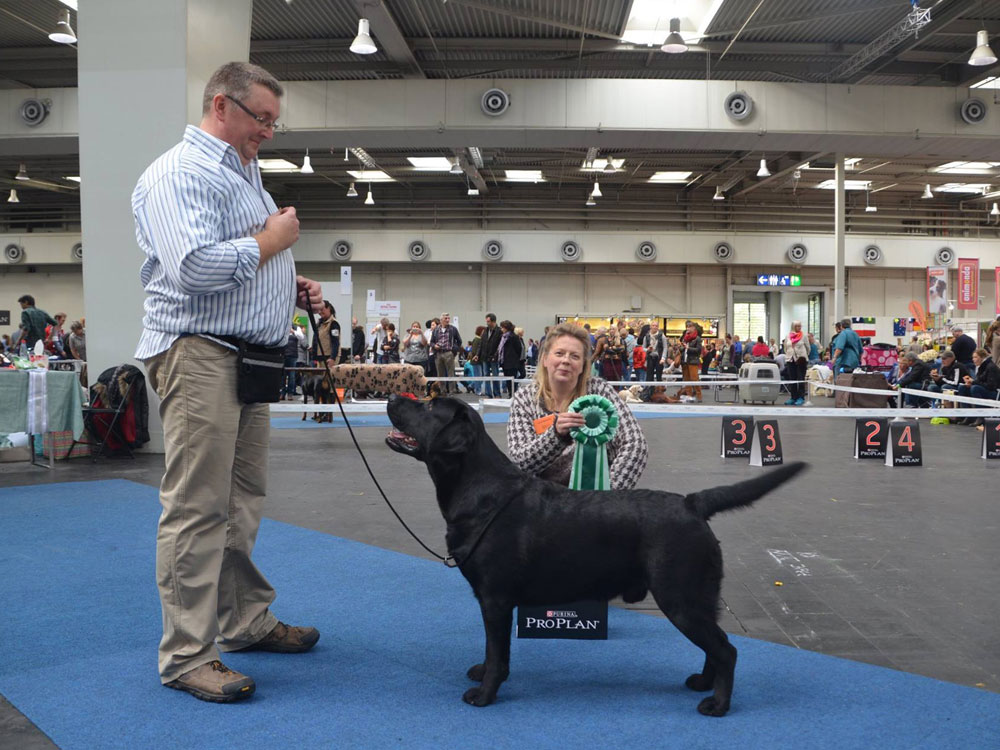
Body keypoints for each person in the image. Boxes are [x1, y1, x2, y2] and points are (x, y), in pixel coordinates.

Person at [132, 61, 322, 703]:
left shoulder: (242, 173)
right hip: (200, 356)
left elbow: (235, 258)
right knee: (198, 508)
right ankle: (187, 655)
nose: (268, 131)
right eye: (260, 118)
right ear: (221, 105)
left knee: (240, 503)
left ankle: (243, 622)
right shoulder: (180, 172)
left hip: (246, 359)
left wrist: (286, 280)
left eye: (273, 121)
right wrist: (271, 241)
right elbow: (191, 269)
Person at [506, 323, 648, 490]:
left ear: (583, 365)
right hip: (543, 498)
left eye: (574, 356)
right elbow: (520, 461)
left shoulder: (600, 391)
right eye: (559, 353)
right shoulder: (524, 399)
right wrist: (555, 436)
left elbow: (635, 444)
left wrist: (609, 494)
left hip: (595, 498)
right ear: (545, 359)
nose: (566, 360)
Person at [956, 348, 1000, 427]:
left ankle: (981, 416)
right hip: (985, 389)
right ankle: (968, 415)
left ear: (982, 357)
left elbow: (991, 386)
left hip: (994, 393)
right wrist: (971, 383)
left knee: (975, 388)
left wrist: (973, 382)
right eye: (973, 357)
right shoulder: (981, 367)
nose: (973, 359)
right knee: (962, 388)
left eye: (975, 357)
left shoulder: (991, 367)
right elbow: (979, 381)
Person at [430, 311, 461, 394]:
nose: (447, 320)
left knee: (451, 373)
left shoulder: (453, 329)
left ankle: (452, 391)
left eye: (448, 318)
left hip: (448, 353)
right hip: (438, 354)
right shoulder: (436, 330)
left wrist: (453, 351)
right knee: (440, 374)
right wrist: (434, 346)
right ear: (441, 320)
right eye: (445, 318)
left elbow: (459, 341)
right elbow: (431, 342)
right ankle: (442, 391)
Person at [783, 321, 809, 406]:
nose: (799, 327)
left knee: (800, 378)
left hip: (801, 360)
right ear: (793, 326)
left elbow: (808, 348)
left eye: (800, 326)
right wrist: (789, 354)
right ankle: (793, 397)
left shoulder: (804, 336)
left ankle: (801, 397)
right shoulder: (788, 336)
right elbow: (785, 348)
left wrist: (803, 356)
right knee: (792, 379)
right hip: (790, 359)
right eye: (797, 326)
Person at [476, 313, 502, 398]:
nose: (487, 323)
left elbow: (500, 346)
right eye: (486, 321)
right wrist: (477, 354)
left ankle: (497, 394)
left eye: (488, 321)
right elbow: (481, 344)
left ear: (493, 321)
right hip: (484, 357)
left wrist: (496, 356)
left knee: (495, 376)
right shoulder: (485, 331)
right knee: (486, 376)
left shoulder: (499, 331)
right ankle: (488, 394)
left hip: (494, 358)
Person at [679, 321, 703, 402]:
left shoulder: (697, 338)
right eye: (687, 327)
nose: (688, 328)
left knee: (694, 378)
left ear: (694, 328)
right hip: (684, 361)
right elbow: (681, 349)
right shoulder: (684, 338)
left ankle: (699, 396)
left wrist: (688, 348)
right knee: (686, 379)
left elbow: (698, 350)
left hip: (693, 361)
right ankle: (689, 395)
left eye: (690, 327)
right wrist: (682, 347)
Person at [498, 319, 522, 398]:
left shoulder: (514, 337)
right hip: (504, 361)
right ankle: (510, 394)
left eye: (502, 327)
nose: (501, 329)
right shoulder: (502, 337)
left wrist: (515, 358)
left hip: (512, 362)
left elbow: (519, 348)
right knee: (507, 379)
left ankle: (513, 394)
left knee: (512, 379)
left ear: (506, 328)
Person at [281, 324, 304, 400]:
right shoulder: (282, 326)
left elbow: (301, 337)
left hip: (293, 355)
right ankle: (282, 393)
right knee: (282, 375)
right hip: (283, 354)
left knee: (292, 376)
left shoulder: (296, 328)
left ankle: (290, 393)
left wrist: (293, 331)